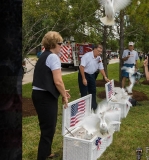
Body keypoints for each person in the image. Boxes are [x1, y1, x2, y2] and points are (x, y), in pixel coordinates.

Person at [32, 31, 70, 160]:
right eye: (60, 43)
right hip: (45, 97)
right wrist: (64, 95)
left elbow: (48, 79)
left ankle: (47, 152)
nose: (61, 46)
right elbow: (58, 81)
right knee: (48, 129)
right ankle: (42, 156)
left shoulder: (44, 55)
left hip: (41, 95)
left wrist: (62, 91)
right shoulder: (53, 57)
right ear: (54, 44)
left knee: (48, 127)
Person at [78, 44, 110, 112]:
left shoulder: (99, 58)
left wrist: (105, 77)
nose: (99, 53)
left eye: (101, 52)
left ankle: (94, 106)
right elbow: (81, 67)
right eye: (98, 51)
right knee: (84, 92)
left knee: (93, 91)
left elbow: (101, 68)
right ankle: (84, 109)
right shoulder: (87, 56)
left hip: (92, 75)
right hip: (84, 74)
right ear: (94, 49)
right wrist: (84, 78)